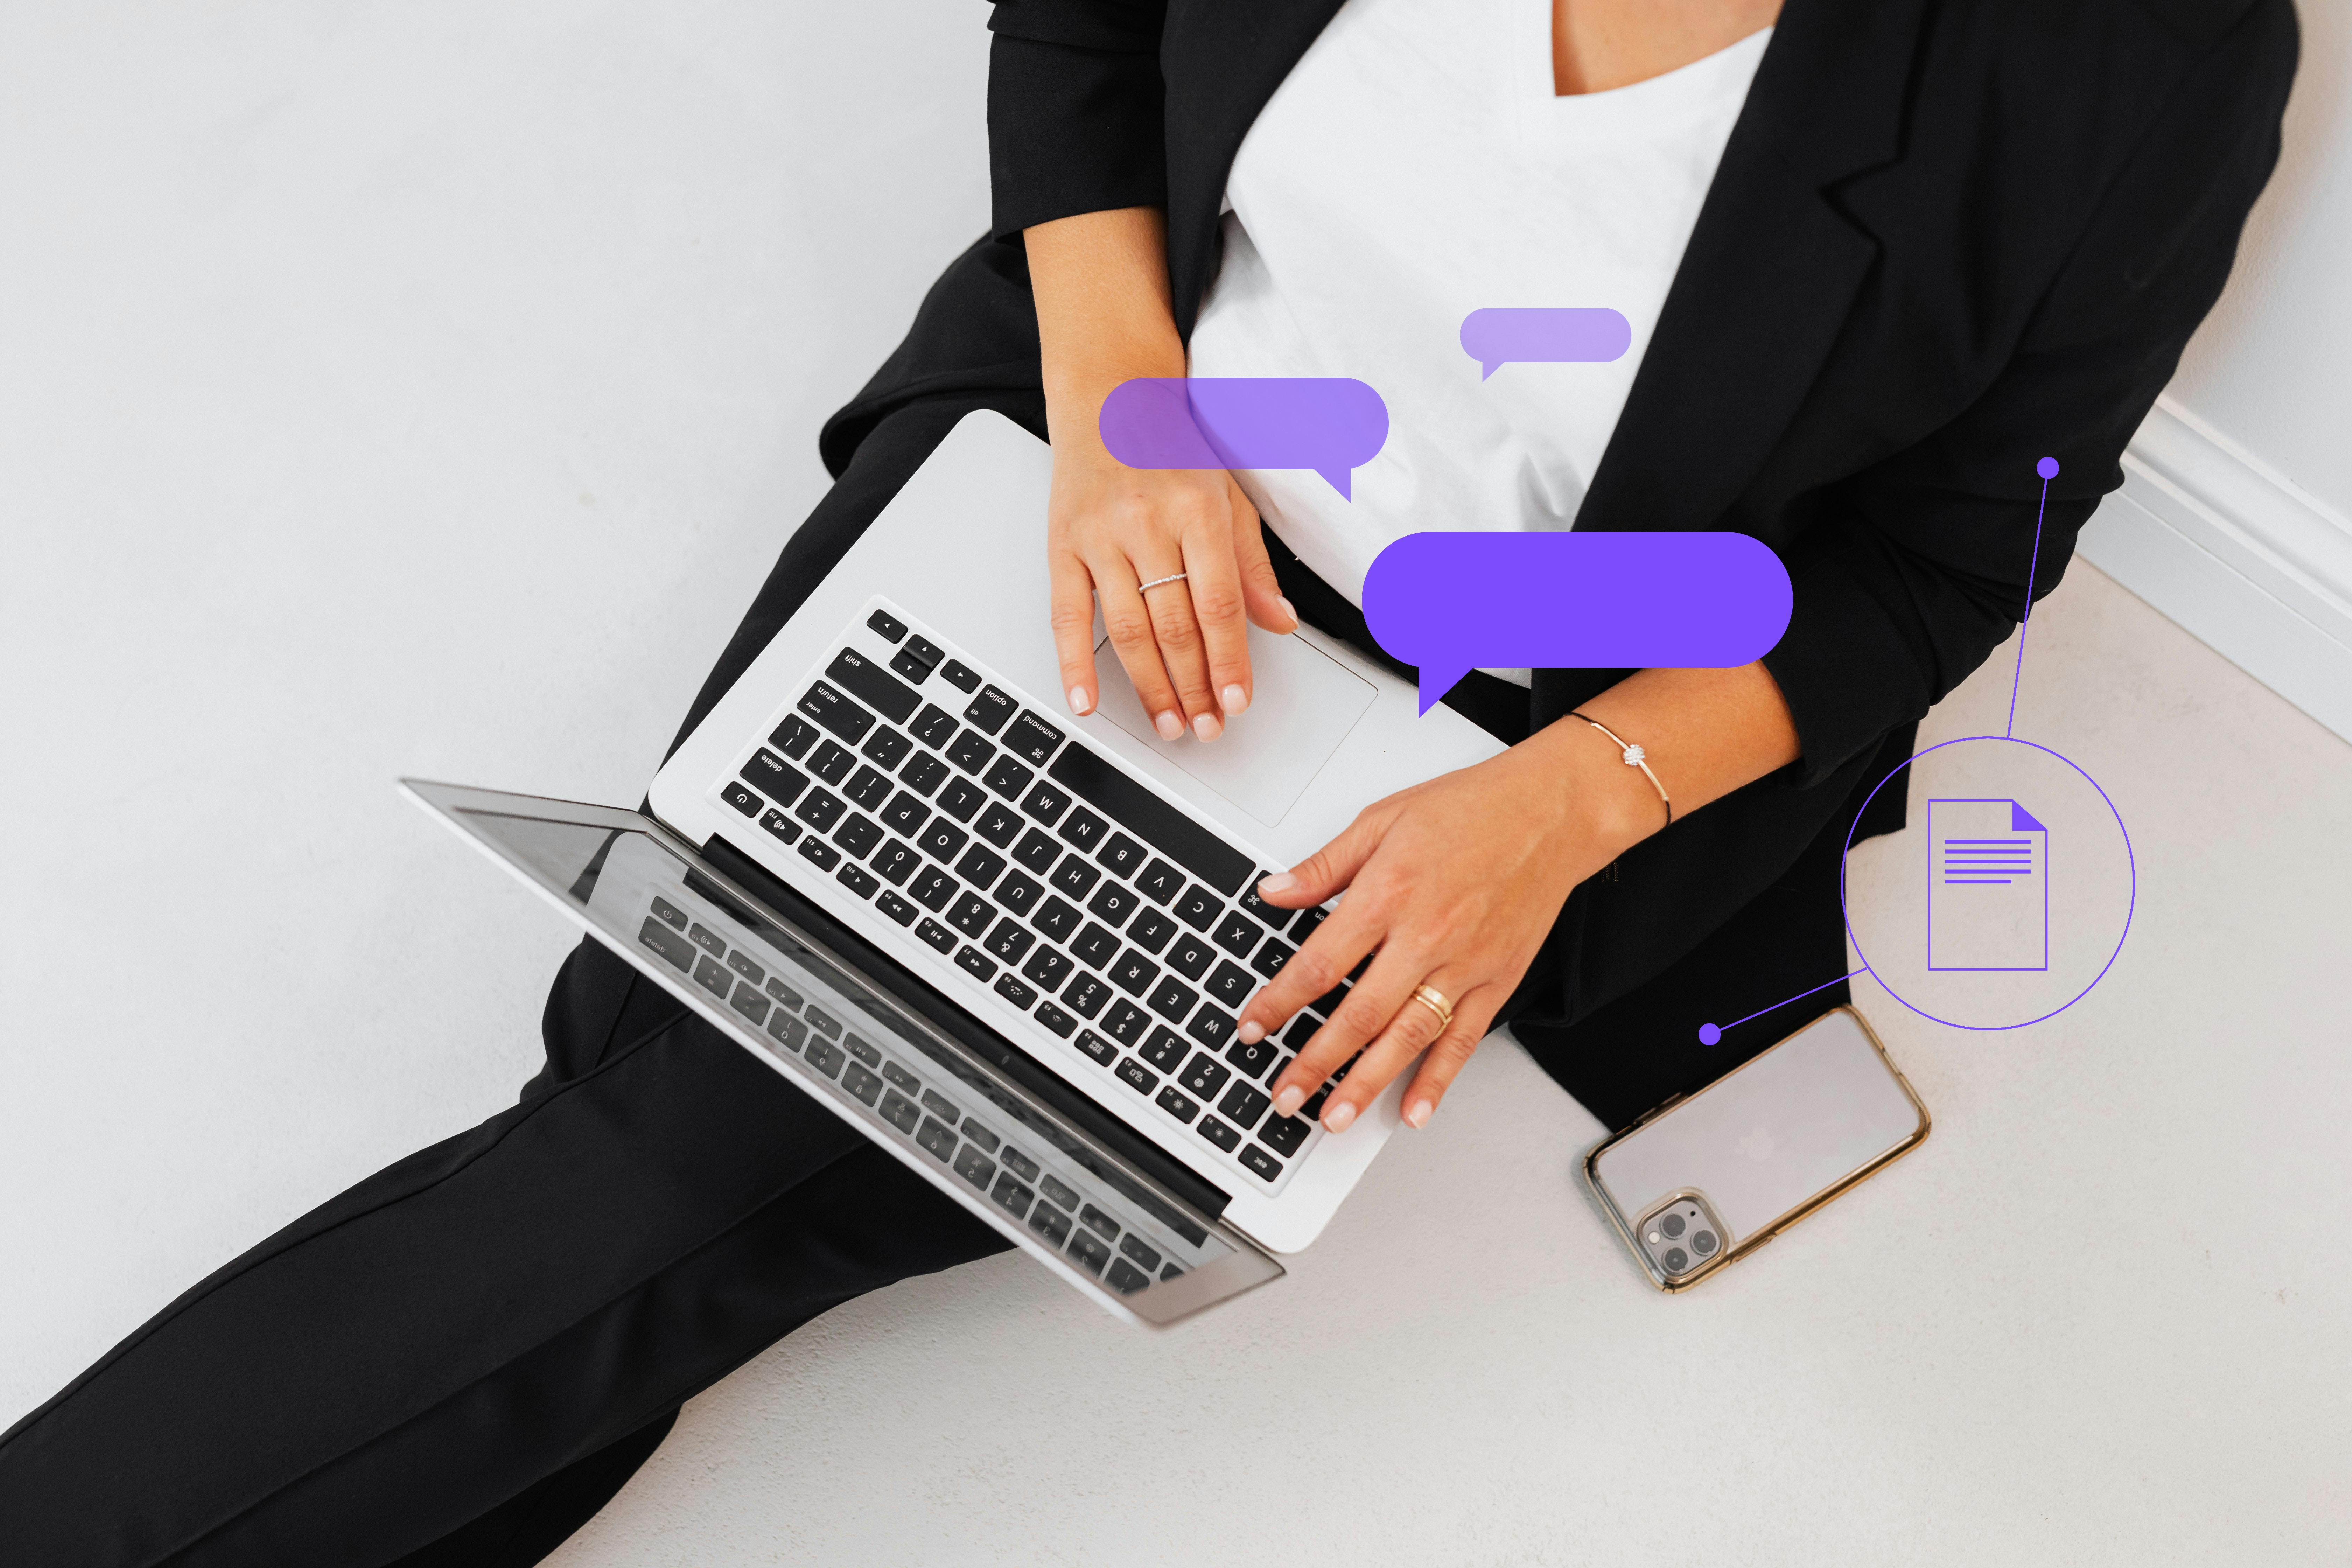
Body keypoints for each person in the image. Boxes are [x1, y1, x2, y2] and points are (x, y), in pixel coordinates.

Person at [0, 0, 2295, 1561]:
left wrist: (1569, 803)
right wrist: (1119, 409)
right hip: (1093, 474)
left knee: (679, 1146)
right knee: (710, 1165)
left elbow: (1952, 547)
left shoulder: (2144, 60)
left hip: (1471, 733)